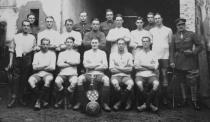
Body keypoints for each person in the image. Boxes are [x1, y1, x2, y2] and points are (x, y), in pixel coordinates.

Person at [170, 18, 202, 110]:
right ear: (176, 26)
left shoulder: (191, 34)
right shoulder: (174, 36)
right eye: (179, 25)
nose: (181, 26)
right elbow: (171, 50)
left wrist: (193, 52)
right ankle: (184, 99)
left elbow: (200, 45)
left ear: (185, 25)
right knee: (182, 82)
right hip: (178, 62)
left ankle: (194, 101)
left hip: (190, 61)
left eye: (182, 24)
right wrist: (172, 61)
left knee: (192, 81)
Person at [6, 20, 36, 108]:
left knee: (24, 78)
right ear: (22, 27)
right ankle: (13, 98)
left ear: (29, 27)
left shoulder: (32, 37)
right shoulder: (16, 37)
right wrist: (10, 62)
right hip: (17, 59)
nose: (26, 27)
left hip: (27, 59)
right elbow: (11, 50)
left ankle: (21, 98)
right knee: (16, 79)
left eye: (27, 26)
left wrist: (29, 55)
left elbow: (34, 49)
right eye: (24, 25)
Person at [76, 38, 111, 112]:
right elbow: (85, 65)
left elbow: (105, 66)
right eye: (93, 43)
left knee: (107, 80)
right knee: (79, 79)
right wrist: (98, 65)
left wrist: (92, 66)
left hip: (100, 74)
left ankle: (104, 103)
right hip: (88, 74)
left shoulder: (102, 53)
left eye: (96, 43)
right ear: (91, 44)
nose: (94, 44)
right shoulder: (86, 53)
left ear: (98, 44)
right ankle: (81, 102)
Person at [149, 13, 173, 105]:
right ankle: (156, 98)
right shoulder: (151, 30)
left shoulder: (168, 30)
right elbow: (150, 45)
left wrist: (171, 58)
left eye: (159, 18)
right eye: (155, 18)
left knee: (165, 76)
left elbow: (170, 45)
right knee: (156, 77)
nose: (157, 20)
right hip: (155, 57)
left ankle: (165, 98)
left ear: (162, 19)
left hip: (165, 56)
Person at [28, 38, 56, 110]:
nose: (45, 46)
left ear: (49, 45)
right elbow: (34, 67)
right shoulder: (37, 54)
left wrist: (39, 67)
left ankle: (38, 101)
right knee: (30, 80)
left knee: (48, 80)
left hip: (48, 74)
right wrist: (45, 66)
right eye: (43, 44)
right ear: (41, 45)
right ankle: (43, 100)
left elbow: (52, 68)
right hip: (38, 74)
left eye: (47, 44)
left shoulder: (52, 54)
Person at [134, 36, 159, 112]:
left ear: (150, 43)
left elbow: (155, 67)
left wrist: (142, 64)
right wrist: (149, 66)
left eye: (147, 41)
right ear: (142, 43)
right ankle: (150, 105)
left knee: (156, 84)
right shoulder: (138, 53)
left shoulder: (153, 53)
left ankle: (145, 104)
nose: (145, 43)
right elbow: (136, 67)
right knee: (139, 84)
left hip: (151, 75)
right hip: (140, 75)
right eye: (143, 41)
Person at [54, 37, 80, 109]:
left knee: (74, 82)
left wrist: (66, 62)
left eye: (70, 42)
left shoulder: (76, 53)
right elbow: (59, 64)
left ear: (73, 44)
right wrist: (71, 63)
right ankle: (66, 98)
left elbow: (77, 62)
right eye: (67, 42)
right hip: (63, 73)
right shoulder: (61, 53)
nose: (69, 43)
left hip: (73, 73)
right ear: (65, 43)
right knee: (57, 81)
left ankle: (63, 99)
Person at [109, 38, 134, 111]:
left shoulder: (129, 55)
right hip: (115, 76)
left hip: (126, 76)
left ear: (125, 45)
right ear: (117, 45)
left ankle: (119, 102)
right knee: (115, 84)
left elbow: (130, 69)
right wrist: (124, 69)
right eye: (119, 44)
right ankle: (127, 102)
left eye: (122, 44)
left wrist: (117, 67)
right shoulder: (112, 55)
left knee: (131, 84)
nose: (121, 45)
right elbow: (111, 69)